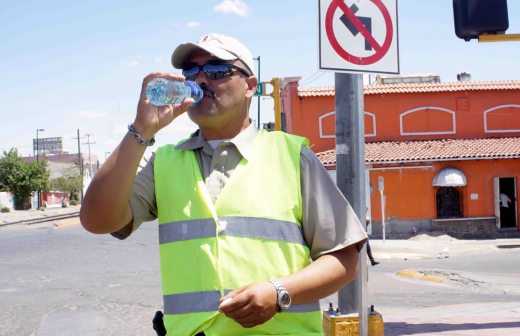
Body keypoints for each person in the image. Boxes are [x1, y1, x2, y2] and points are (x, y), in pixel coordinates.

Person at [80, 33, 367, 336]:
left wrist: (278, 291)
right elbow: (97, 220)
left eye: (217, 71)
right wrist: (141, 129)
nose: (201, 80)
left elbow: (344, 258)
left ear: (250, 87)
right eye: (191, 72)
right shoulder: (164, 161)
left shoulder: (292, 157)